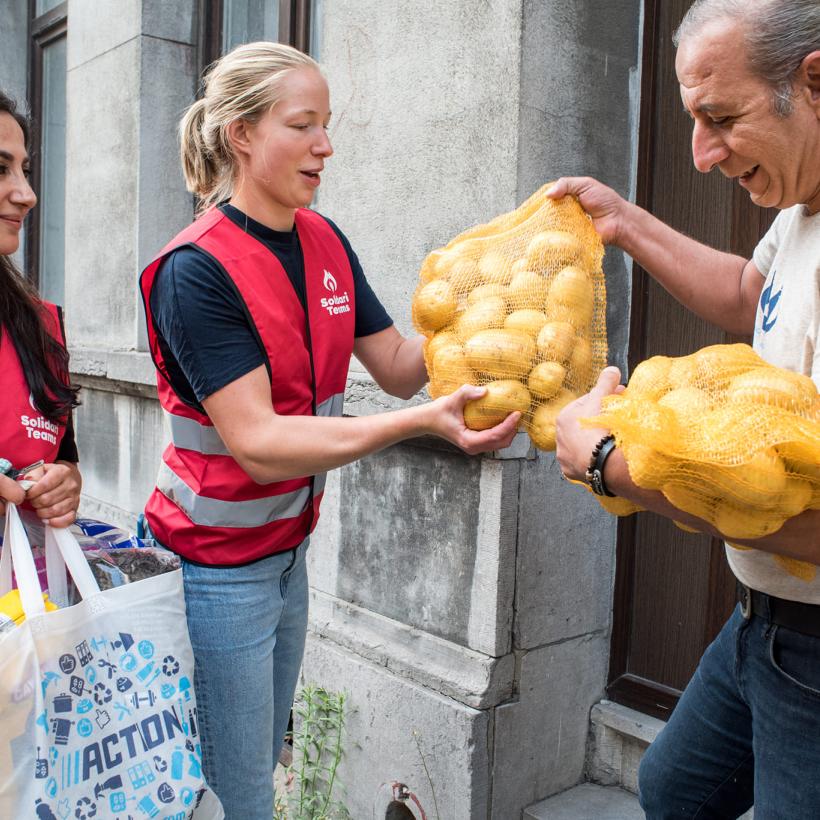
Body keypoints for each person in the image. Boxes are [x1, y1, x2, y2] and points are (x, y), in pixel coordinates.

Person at [138, 42, 519, 819]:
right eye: (303, 125)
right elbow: (259, 440)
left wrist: (492, 302)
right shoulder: (196, 270)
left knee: (258, 768)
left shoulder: (324, 241)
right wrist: (419, 426)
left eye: (327, 125)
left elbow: (401, 366)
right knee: (236, 789)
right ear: (242, 135)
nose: (326, 146)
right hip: (215, 571)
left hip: (286, 555)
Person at [552, 0, 820, 816]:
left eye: (721, 118)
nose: (701, 156)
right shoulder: (804, 203)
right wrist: (626, 224)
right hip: (760, 621)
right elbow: (752, 292)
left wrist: (609, 464)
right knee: (674, 789)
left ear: (814, 82)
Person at [0, 90, 81, 529]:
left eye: (24, 170)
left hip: (26, 594)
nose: (27, 194)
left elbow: (64, 456)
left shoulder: (41, 322)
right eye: (0, 169)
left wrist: (65, 483)